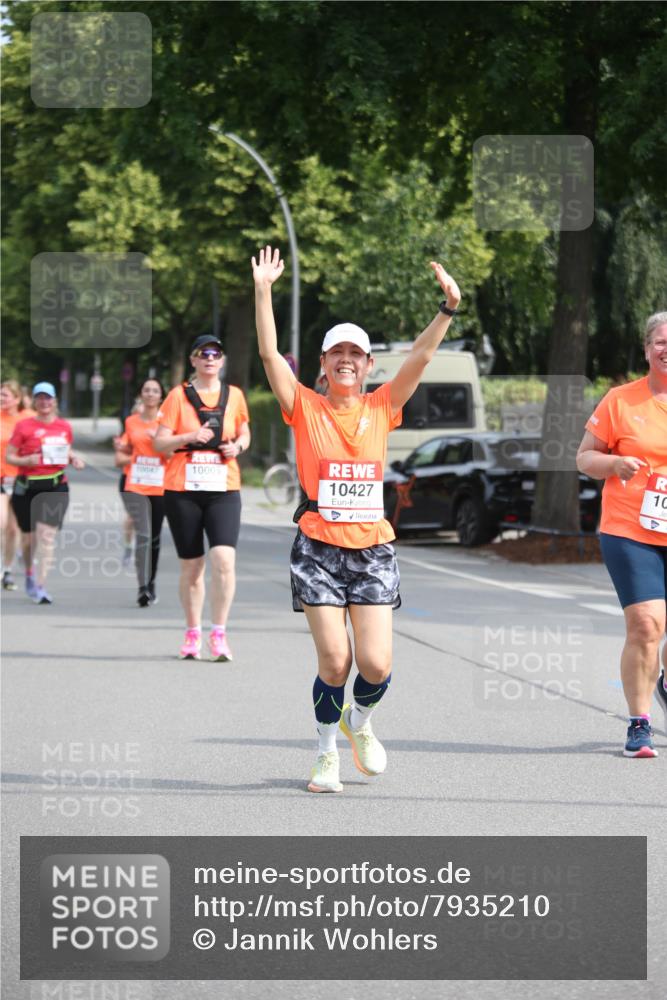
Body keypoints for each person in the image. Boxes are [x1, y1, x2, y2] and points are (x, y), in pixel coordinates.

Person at [252, 244, 461, 793]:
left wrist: (447, 310)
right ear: (322, 365)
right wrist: (263, 289)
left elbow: (419, 358)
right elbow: (271, 355)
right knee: (335, 660)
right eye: (335, 353)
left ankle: (359, 723)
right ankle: (325, 753)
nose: (346, 359)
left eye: (356, 353)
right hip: (318, 545)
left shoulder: (382, 406)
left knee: (374, 663)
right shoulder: (304, 406)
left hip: (371, 546)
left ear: (368, 365)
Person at [576, 311, 667, 758]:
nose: (666, 350)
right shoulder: (620, 401)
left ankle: (662, 678)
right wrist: (613, 464)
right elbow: (583, 459)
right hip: (631, 529)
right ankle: (639, 723)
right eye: (660, 342)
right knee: (647, 625)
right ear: (647, 349)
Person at [154, 335, 251, 661]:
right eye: (203, 353)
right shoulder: (176, 397)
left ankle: (219, 633)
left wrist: (236, 446)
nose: (210, 358)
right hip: (182, 490)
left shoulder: (234, 395)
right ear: (194, 360)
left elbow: (244, 432)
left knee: (224, 560)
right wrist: (191, 436)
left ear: (222, 361)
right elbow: (159, 443)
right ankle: (192, 631)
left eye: (216, 353)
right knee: (193, 568)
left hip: (223, 488)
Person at [6, 382, 85, 604]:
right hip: (27, 486)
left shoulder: (63, 427)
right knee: (29, 540)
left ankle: (41, 586)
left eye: (48, 398)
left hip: (56, 485)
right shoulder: (24, 426)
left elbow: (65, 450)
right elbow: (9, 456)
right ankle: (30, 573)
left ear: (54, 401)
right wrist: (24, 460)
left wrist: (74, 459)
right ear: (33, 401)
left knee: (47, 536)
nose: (44, 402)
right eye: (40, 398)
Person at [114, 378, 172, 607]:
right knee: (143, 535)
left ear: (160, 396)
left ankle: (152, 583)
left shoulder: (167, 424)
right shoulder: (131, 422)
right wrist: (124, 450)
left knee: (155, 538)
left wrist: (160, 443)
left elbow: (173, 457)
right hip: (136, 484)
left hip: (160, 485)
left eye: (155, 390)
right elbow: (121, 456)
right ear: (142, 394)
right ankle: (142, 588)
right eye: (146, 389)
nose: (150, 394)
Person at [1, 380, 34, 590]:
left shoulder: (28, 418)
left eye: (5, 395)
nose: (1, 398)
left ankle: (7, 571)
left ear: (17, 399)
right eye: (0, 394)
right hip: (1, 478)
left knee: (14, 529)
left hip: (22, 478)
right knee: (1, 523)